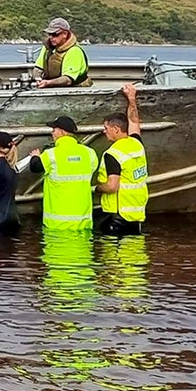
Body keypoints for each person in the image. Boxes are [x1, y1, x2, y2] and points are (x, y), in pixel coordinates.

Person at [95, 83, 149, 235]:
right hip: (136, 215)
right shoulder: (136, 144)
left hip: (117, 217)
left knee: (113, 257)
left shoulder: (113, 154)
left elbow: (112, 186)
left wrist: (96, 189)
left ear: (116, 129)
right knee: (135, 254)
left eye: (106, 129)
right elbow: (134, 122)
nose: (104, 132)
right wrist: (131, 99)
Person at [28, 115, 98, 231]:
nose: (52, 133)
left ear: (61, 132)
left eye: (54, 130)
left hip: (57, 225)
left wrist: (35, 157)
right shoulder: (90, 153)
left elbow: (35, 167)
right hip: (83, 223)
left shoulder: (51, 155)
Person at [33, 17, 91, 88]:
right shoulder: (47, 48)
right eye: (49, 34)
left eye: (54, 34)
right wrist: (37, 79)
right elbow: (38, 68)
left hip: (75, 89)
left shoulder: (74, 51)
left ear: (65, 34)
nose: (51, 37)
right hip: (52, 87)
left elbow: (68, 80)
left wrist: (48, 82)